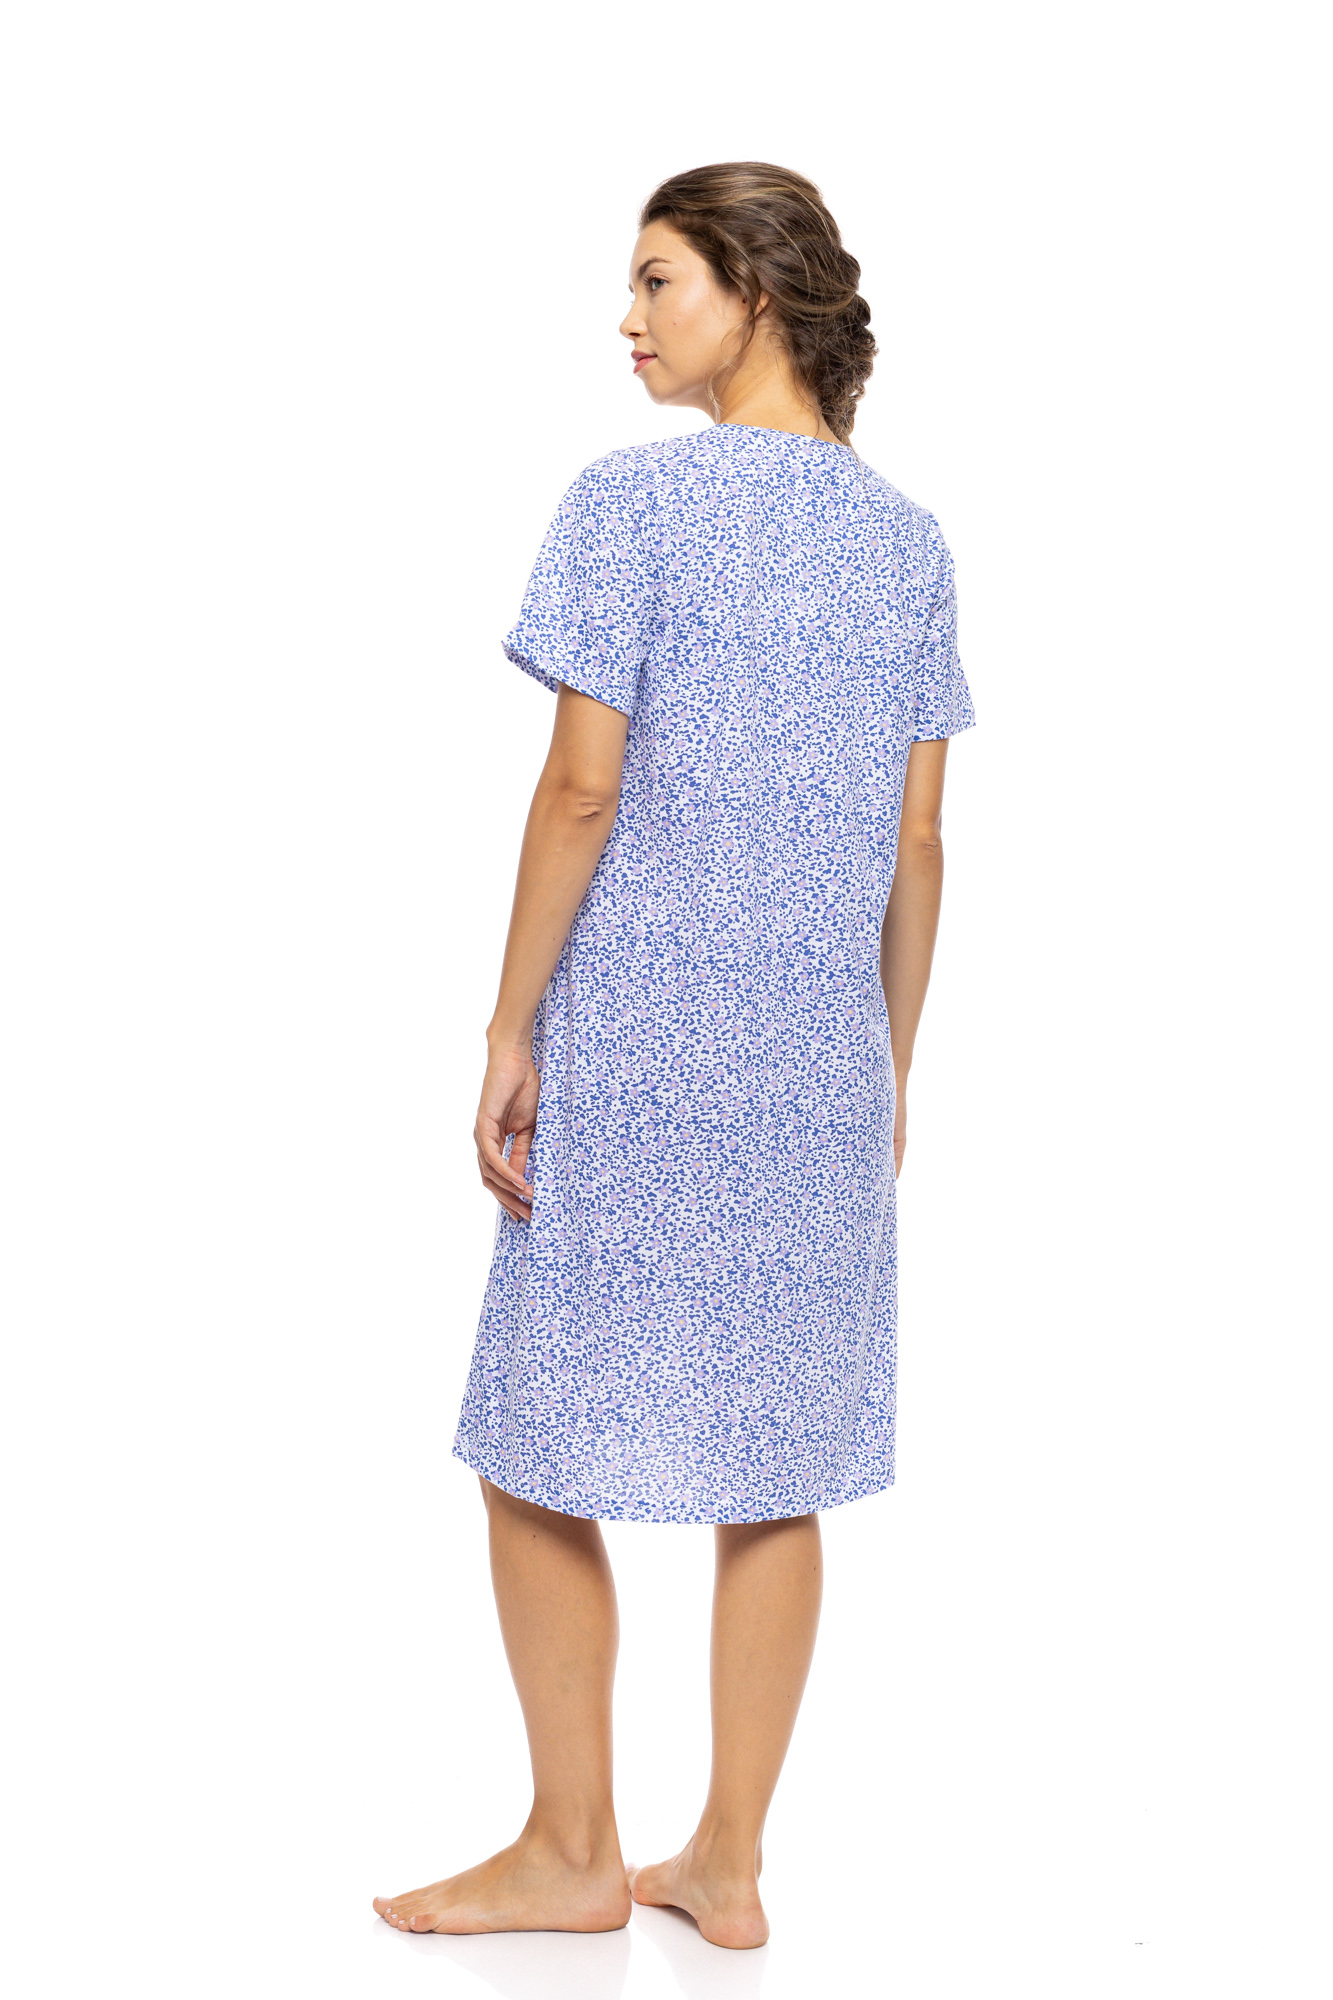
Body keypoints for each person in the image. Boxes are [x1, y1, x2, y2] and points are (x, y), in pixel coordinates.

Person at [374, 160, 974, 1951]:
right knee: (773, 1465)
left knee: (532, 1438)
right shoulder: (909, 543)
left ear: (754, 293)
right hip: (814, 1065)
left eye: (656, 281)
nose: (626, 320)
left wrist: (507, 1024)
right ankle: (726, 1859)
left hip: (635, 1045)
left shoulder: (627, 503)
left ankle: (573, 1846)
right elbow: (919, 844)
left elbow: (581, 787)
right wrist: (889, 1067)